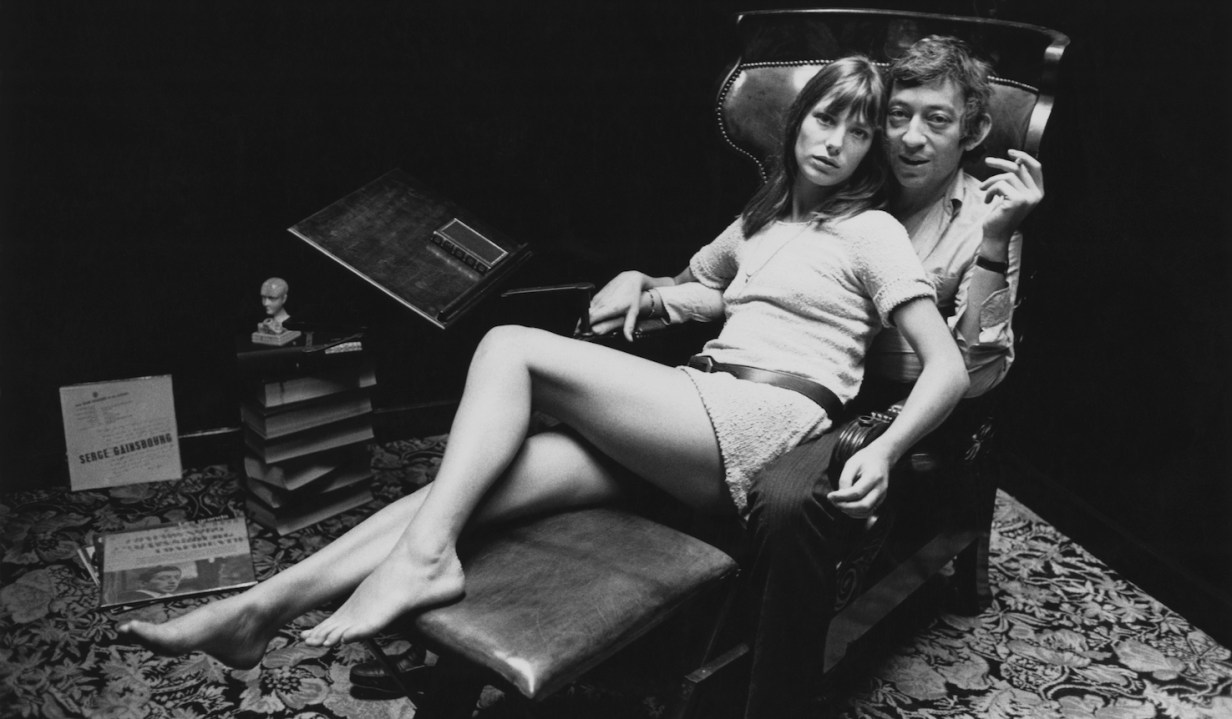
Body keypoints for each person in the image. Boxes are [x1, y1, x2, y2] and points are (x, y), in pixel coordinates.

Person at [117, 57, 968, 685]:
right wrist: (640, 279)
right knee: (467, 488)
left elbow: (947, 368)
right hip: (692, 411)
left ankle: (423, 561)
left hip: (760, 424)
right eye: (825, 119)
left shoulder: (872, 233)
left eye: (860, 132)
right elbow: (687, 285)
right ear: (798, 122)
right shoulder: (761, 222)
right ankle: (259, 608)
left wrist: (886, 448)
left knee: (510, 345)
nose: (837, 142)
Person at [733, 36, 1043, 719]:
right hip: (797, 371)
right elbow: (747, 269)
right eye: (898, 116)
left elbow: (978, 376)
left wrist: (995, 243)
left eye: (936, 120)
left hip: (892, 404)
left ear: (973, 132)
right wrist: (655, 287)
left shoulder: (984, 221)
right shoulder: (845, 180)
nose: (909, 137)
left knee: (789, 498)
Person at [117, 566, 183, 603]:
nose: (173, 582)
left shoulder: (169, 595)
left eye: (177, 578)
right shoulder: (134, 597)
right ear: (143, 583)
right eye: (163, 578)